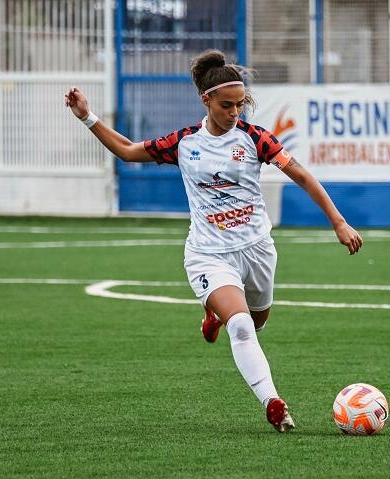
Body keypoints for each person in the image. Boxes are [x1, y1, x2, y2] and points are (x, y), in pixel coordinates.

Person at [65, 49, 363, 433]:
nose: (235, 112)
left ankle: (214, 313)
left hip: (256, 250)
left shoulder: (255, 139)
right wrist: (87, 116)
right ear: (206, 100)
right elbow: (127, 151)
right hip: (208, 254)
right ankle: (273, 402)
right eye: (227, 105)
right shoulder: (184, 142)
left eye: (240, 104)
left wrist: (338, 222)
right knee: (240, 326)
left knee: (256, 323)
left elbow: (303, 176)